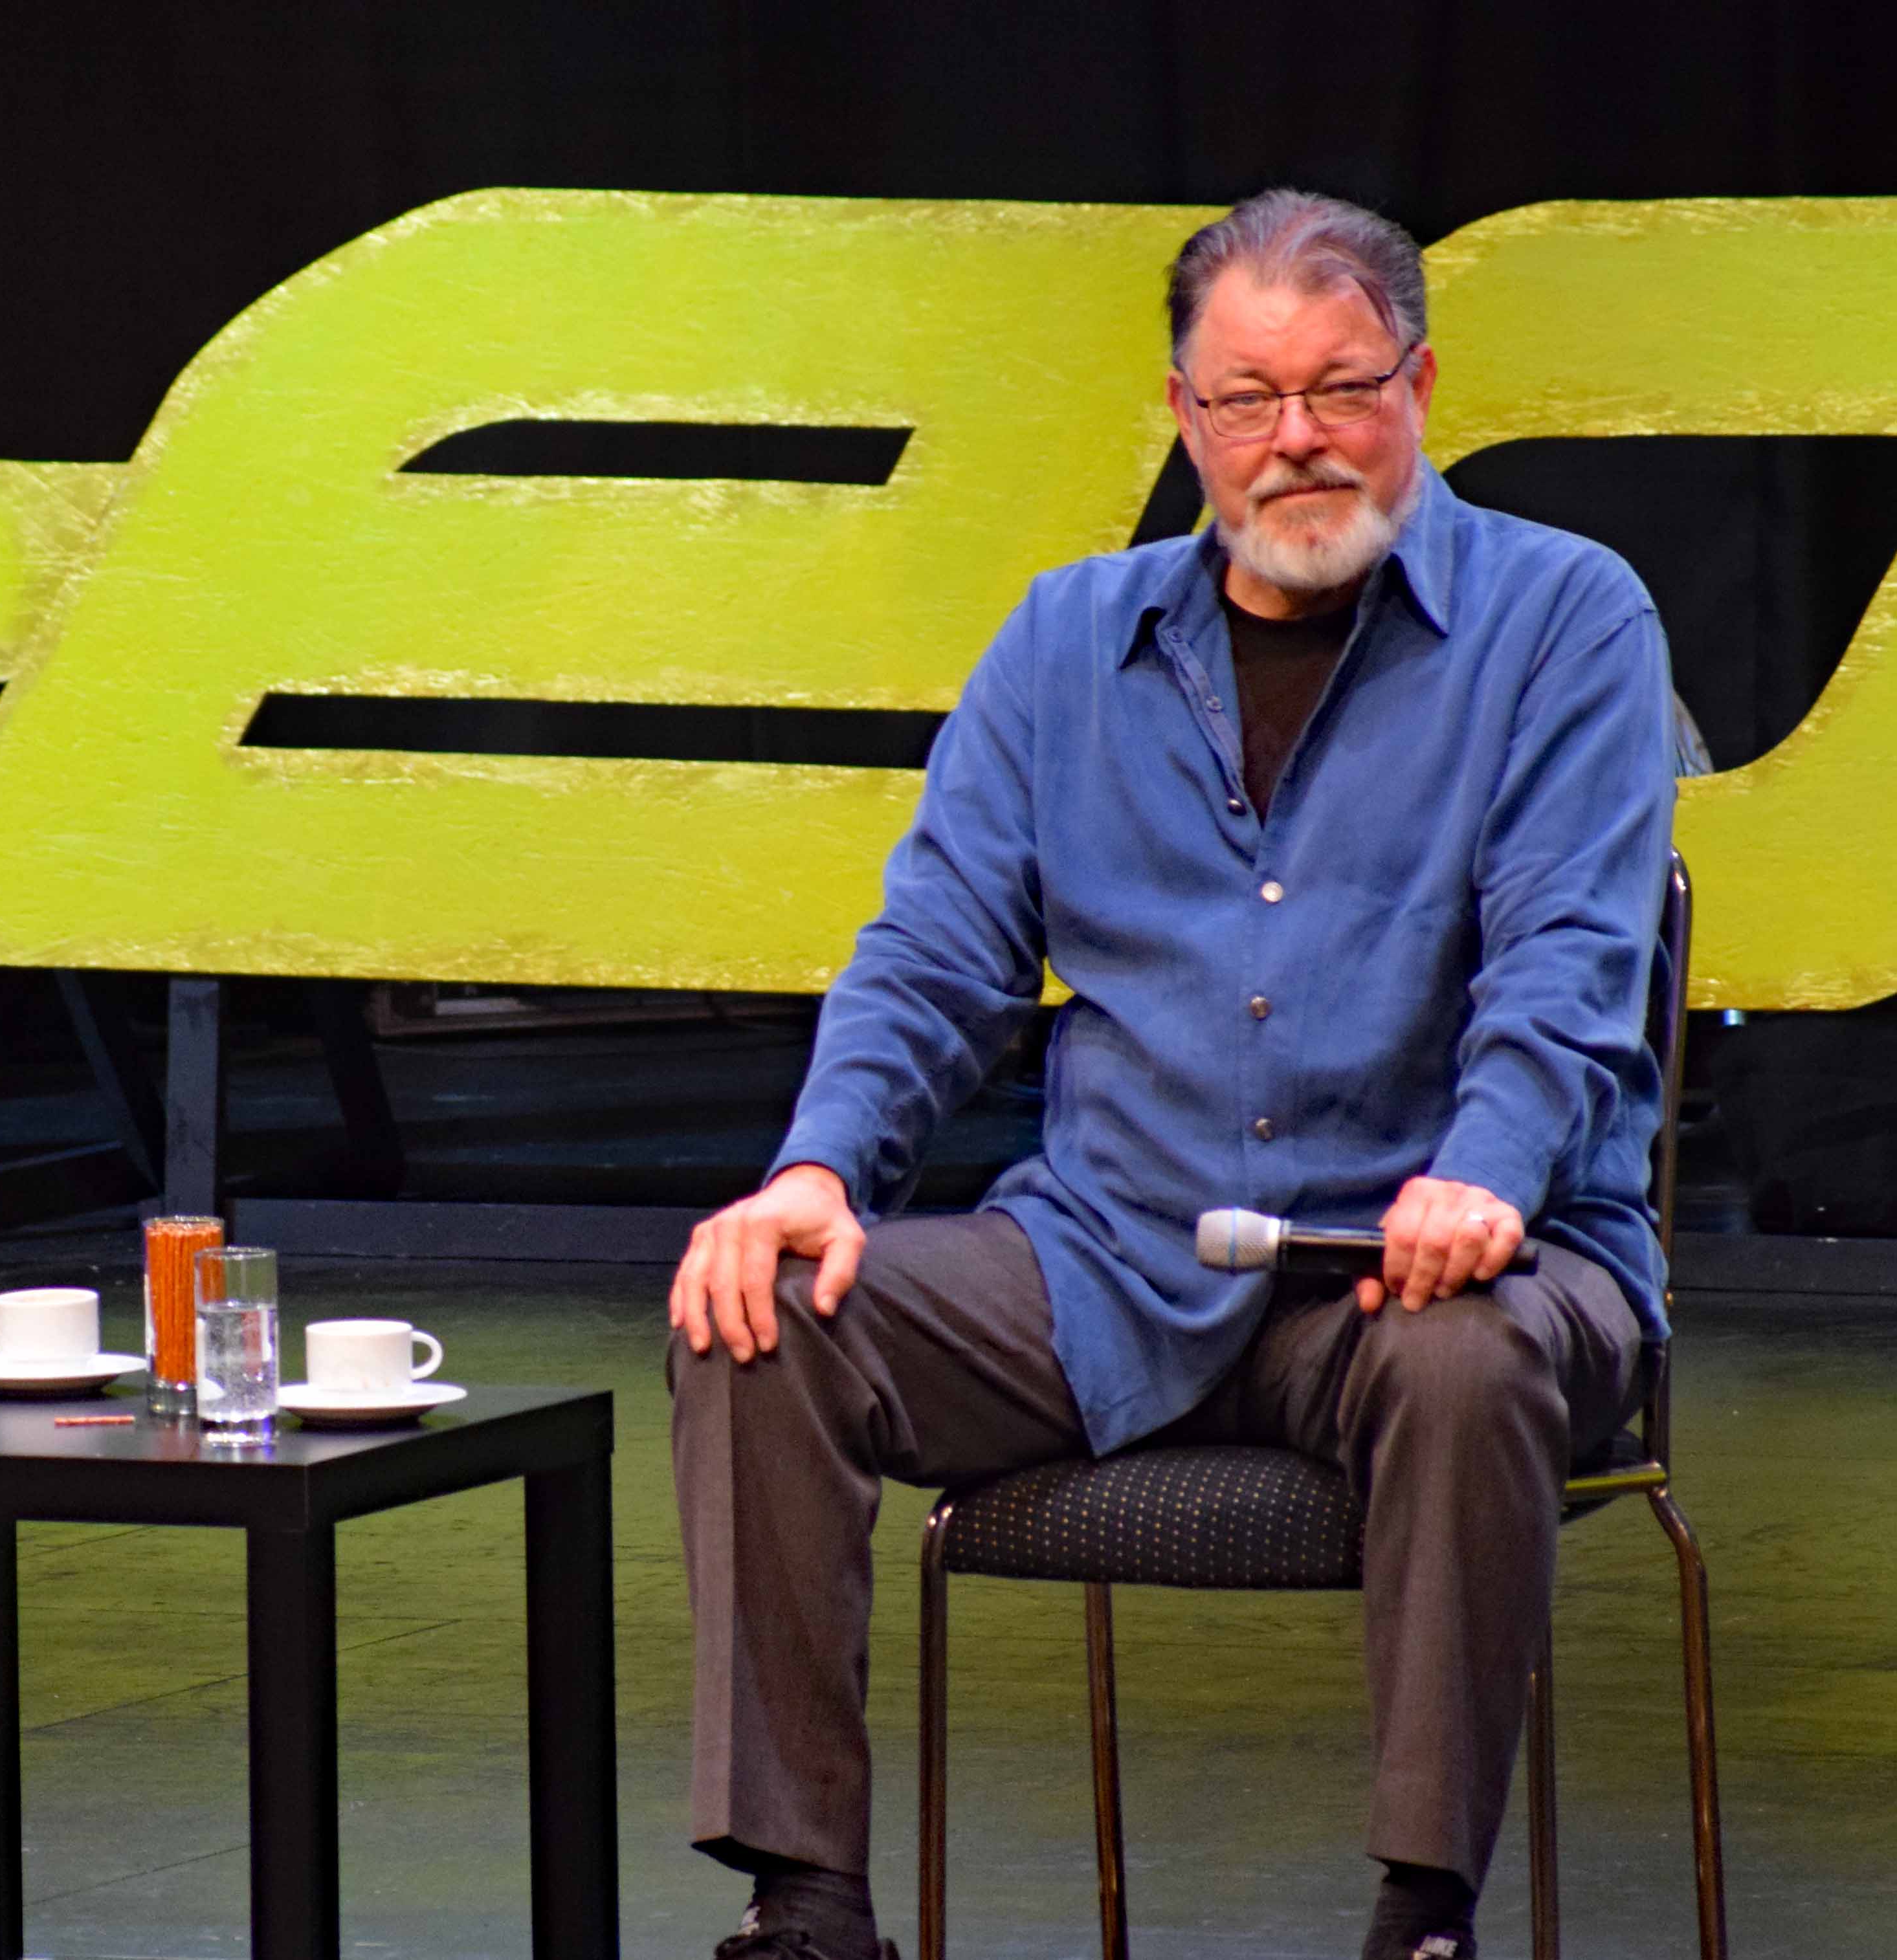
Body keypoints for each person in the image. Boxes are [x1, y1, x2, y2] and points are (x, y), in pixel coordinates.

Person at [666, 189, 1672, 1960]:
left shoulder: (1566, 618)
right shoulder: (1068, 642)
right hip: (1111, 1259)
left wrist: (1489, 1172)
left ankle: (1423, 1918)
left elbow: (1572, 965)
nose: (1298, 440)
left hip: (1435, 1269)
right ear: (1185, 416)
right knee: (763, 1314)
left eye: (1341, 388)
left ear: (1421, 384)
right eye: (1247, 399)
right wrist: (817, 1169)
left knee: (1464, 1360)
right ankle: (806, 1911)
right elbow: (935, 953)